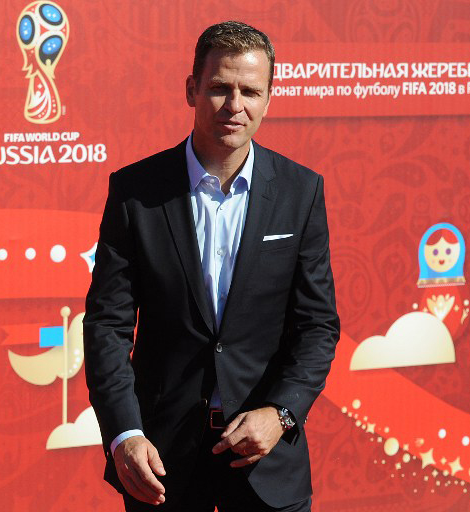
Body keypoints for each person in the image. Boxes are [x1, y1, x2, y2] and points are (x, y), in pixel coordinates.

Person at [83, 21, 339, 512]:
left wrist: (281, 414)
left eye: (250, 90)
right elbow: (107, 326)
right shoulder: (137, 192)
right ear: (191, 89)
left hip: (265, 461)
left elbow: (318, 326)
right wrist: (124, 435)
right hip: (161, 461)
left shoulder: (300, 192)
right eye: (220, 87)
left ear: (269, 99)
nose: (234, 105)